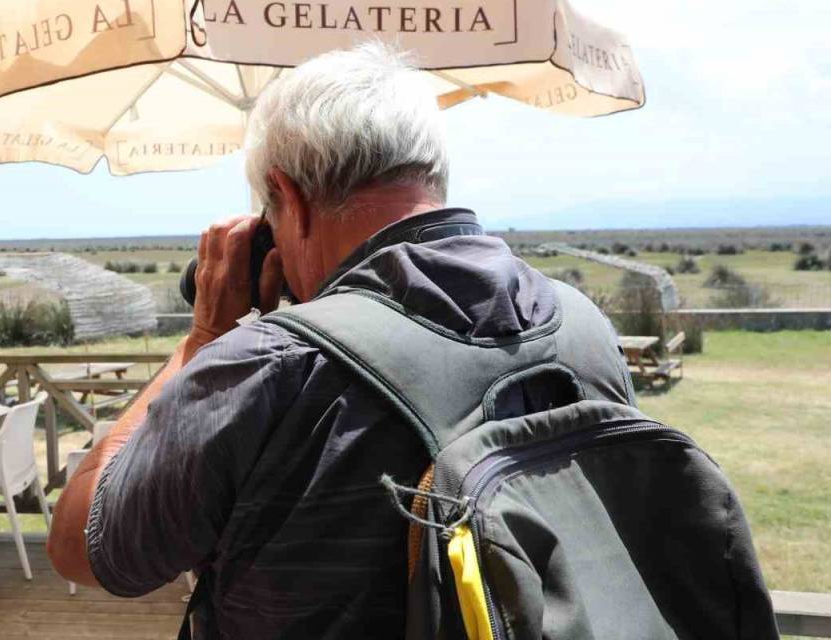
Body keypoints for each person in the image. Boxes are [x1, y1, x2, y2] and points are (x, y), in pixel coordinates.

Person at [48, 42, 566, 637]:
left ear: (287, 199)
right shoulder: (574, 327)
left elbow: (80, 547)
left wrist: (204, 339)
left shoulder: (272, 365)